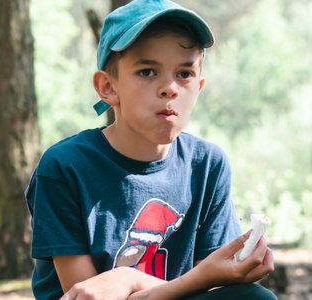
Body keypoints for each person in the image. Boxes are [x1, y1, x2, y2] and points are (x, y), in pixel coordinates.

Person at [25, 0, 277, 299]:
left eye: (184, 74)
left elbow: (211, 286)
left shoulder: (207, 164)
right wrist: (134, 279)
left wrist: (128, 281)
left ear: (199, 86)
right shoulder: (65, 166)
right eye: (147, 71)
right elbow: (87, 295)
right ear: (108, 87)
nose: (170, 87)